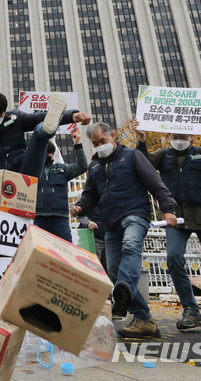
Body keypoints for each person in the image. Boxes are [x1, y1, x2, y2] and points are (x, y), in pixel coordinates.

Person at [133, 119, 201, 333]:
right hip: (176, 218)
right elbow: (142, 164)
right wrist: (142, 140)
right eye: (175, 137)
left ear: (191, 137)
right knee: (174, 260)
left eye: (183, 137)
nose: (179, 140)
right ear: (169, 138)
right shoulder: (163, 155)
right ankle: (191, 311)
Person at [71, 121, 177, 338]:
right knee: (113, 269)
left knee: (130, 246)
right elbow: (91, 193)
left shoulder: (132, 156)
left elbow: (155, 183)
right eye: (95, 143)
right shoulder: (94, 165)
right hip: (110, 221)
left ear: (113, 135)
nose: (100, 145)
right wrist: (81, 205)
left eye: (103, 140)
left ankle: (123, 293)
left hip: (135, 213)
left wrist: (168, 209)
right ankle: (143, 318)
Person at [0, 91, 91, 194]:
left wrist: (73, 116)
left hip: (25, 173)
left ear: (5, 111)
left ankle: (48, 130)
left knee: (41, 132)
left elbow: (40, 116)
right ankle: (47, 129)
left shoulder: (15, 118)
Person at [34, 131, 87, 242]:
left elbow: (82, 166)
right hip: (38, 218)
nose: (48, 155)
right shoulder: (32, 170)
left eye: (50, 152)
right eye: (45, 152)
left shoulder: (63, 169)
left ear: (53, 155)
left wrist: (77, 144)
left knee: (66, 250)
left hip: (59, 219)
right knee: (37, 250)